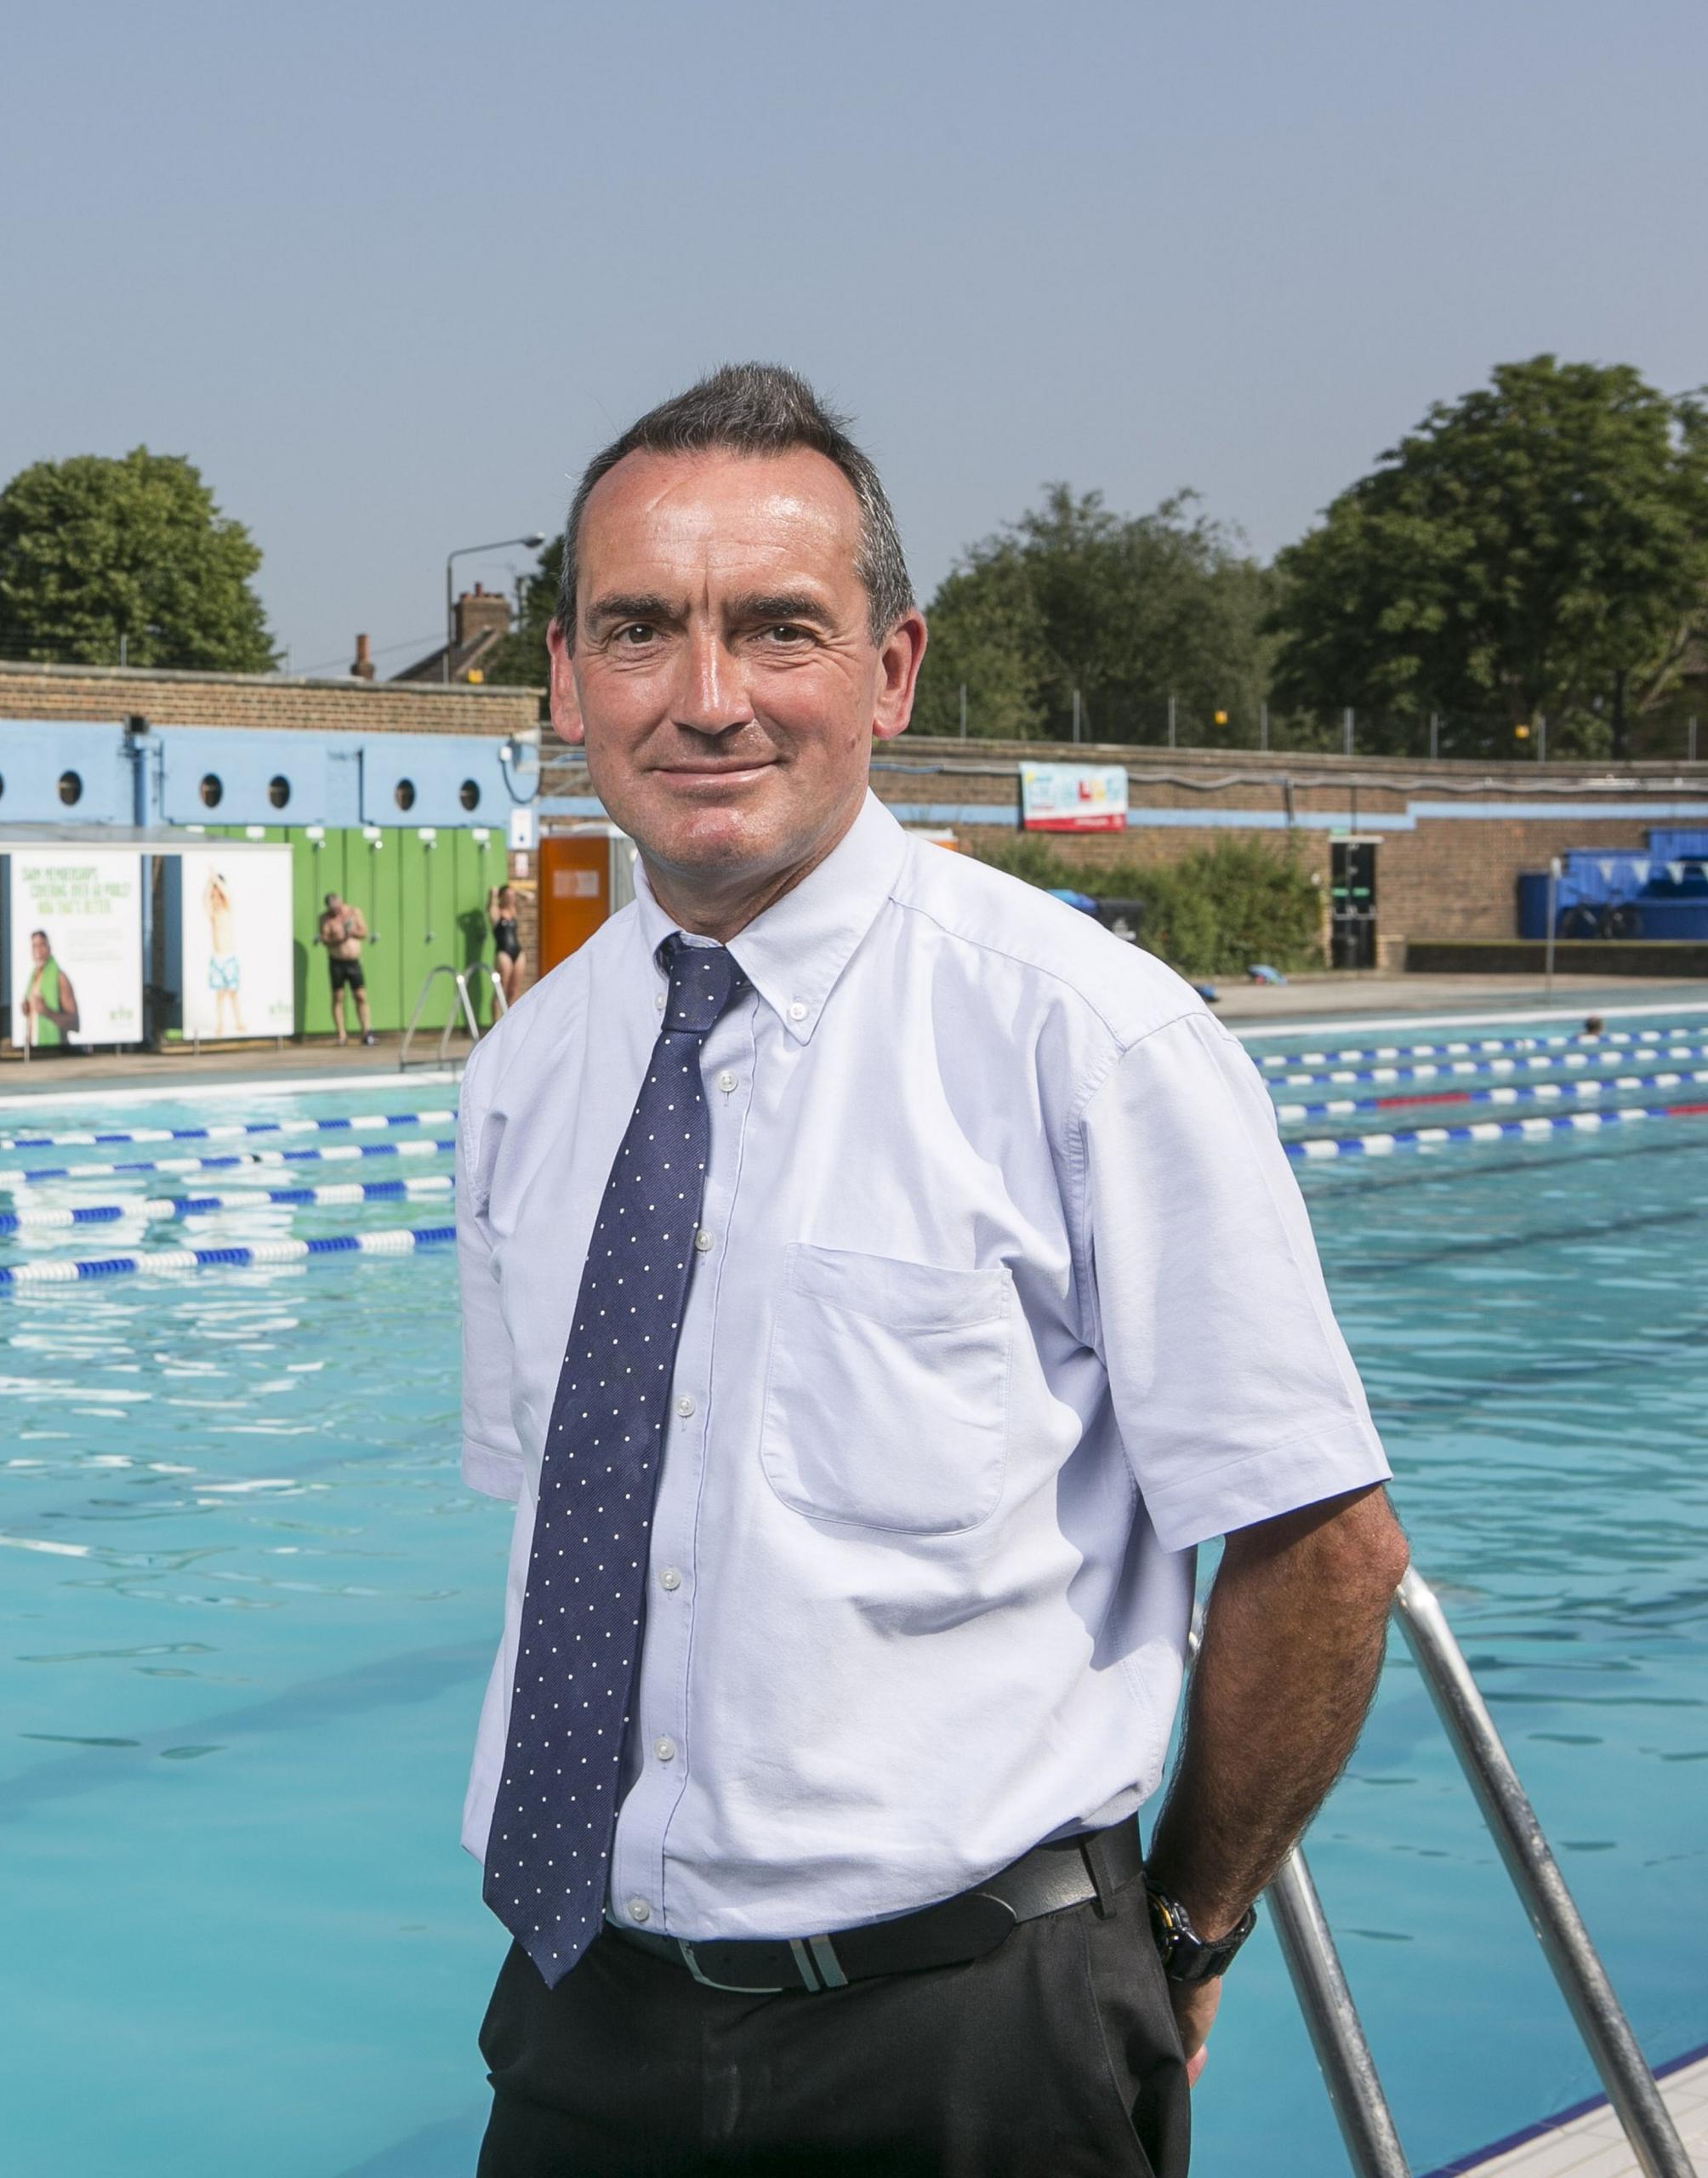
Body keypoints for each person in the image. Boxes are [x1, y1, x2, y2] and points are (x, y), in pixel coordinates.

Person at [456, 364, 1408, 2177]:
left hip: (975, 2042)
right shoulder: (529, 1070)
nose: (707, 695)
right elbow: (558, 1538)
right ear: (566, 677)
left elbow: (1322, 1542)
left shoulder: (1082, 1038)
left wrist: (1182, 1933)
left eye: (778, 628)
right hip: (587, 2017)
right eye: (641, 629)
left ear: (890, 669)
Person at [316, 892, 374, 1044]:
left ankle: (366, 1031)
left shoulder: (354, 912)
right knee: (338, 997)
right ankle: (341, 1034)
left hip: (353, 962)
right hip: (337, 962)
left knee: (360, 995)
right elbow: (325, 940)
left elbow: (364, 933)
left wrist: (352, 932)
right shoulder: (325, 919)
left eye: (339, 907)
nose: (337, 911)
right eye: (334, 909)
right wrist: (340, 937)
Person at [202, 872, 248, 1038]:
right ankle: (220, 1024)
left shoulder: (227, 908)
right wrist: (210, 882)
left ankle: (238, 1021)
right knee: (220, 994)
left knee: (232, 992)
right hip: (217, 957)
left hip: (228, 957)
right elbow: (205, 899)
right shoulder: (213, 913)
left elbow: (226, 893)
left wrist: (215, 878)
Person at [18, 929, 80, 1048]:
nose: (38, 951)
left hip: (56, 1050)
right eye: (34, 946)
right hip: (33, 1046)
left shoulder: (59, 977)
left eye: (42, 945)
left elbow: (75, 1023)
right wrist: (27, 1007)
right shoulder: (33, 977)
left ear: (49, 948)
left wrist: (47, 1012)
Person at [489, 881, 529, 1010]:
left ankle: (509, 1021)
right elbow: (492, 906)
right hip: (503, 951)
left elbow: (529, 897)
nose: (511, 898)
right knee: (501, 987)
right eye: (508, 895)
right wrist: (493, 896)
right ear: (502, 897)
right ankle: (495, 1023)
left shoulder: (513, 911)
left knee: (514, 989)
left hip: (517, 951)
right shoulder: (496, 912)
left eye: (512, 896)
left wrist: (515, 890)